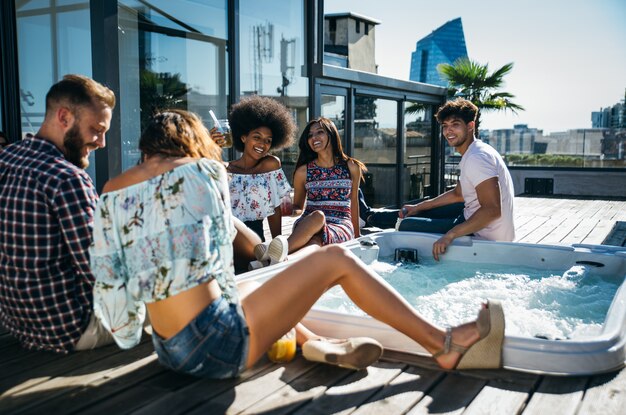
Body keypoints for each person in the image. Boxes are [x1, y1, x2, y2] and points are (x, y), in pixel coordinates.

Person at [90, 109, 506, 379]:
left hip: (167, 348)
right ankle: (442, 344)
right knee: (335, 259)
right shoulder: (203, 173)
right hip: (214, 348)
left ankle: (316, 344)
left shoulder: (112, 190)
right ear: (194, 143)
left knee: (255, 284)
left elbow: (117, 295)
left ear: (148, 146)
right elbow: (215, 263)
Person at [0, 74, 116, 353]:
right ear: (64, 117)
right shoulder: (66, 177)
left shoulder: (6, 159)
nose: (101, 142)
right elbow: (100, 272)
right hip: (71, 329)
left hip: (18, 323)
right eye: (96, 129)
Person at [397, 98, 515, 260]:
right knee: (419, 211)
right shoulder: (475, 151)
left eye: (455, 124)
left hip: (485, 235)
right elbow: (458, 194)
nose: (448, 131)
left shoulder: (477, 157)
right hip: (473, 216)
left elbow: (492, 210)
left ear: (470, 126)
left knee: (405, 225)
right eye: (445, 126)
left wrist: (450, 235)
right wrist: (419, 206)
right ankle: (369, 215)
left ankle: (369, 216)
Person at [260, 118, 365, 261]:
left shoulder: (351, 167)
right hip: (308, 224)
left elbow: (354, 201)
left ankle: (277, 255)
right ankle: (280, 256)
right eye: (310, 135)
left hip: (340, 224)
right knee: (318, 217)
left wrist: (356, 236)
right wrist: (286, 209)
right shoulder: (303, 172)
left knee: (317, 240)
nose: (314, 138)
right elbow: (298, 207)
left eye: (319, 132)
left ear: (331, 135)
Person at [226, 95, 295, 243]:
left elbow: (274, 208)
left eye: (268, 140)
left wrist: (278, 244)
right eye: (257, 137)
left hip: (255, 239)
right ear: (243, 137)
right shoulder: (225, 170)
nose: (262, 144)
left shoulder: (269, 167)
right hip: (227, 236)